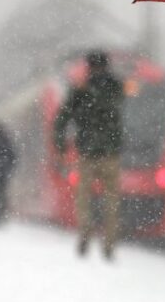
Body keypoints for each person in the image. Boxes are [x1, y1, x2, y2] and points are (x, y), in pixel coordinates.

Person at [53, 50, 124, 259]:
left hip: (87, 154)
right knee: (111, 200)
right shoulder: (116, 87)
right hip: (111, 154)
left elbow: (62, 117)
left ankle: (86, 232)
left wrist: (60, 143)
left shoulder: (80, 90)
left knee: (84, 198)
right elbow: (118, 107)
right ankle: (109, 244)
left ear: (89, 66)